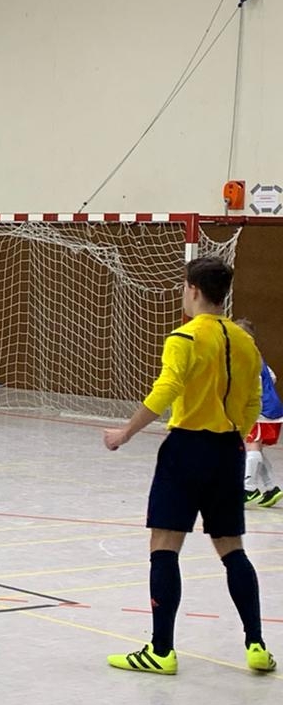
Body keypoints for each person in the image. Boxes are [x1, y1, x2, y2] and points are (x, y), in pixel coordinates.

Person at [102, 257, 275, 675]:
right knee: (232, 549)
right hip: (228, 450)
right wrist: (233, 436)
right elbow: (253, 402)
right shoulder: (245, 342)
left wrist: (126, 432)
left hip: (186, 449)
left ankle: (161, 651)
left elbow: (167, 389)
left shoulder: (185, 337)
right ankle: (256, 644)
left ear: (193, 289)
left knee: (164, 545)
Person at [236, 319, 281, 509]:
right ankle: (271, 488)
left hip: (262, 411)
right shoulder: (258, 357)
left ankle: (248, 488)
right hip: (270, 409)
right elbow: (273, 377)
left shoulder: (247, 358)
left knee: (252, 445)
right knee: (256, 448)